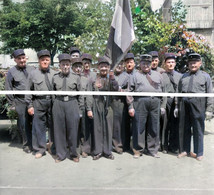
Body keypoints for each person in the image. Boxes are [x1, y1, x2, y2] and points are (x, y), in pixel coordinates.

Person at [128, 54, 166, 159]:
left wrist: (162, 105)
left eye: (148, 63)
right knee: (139, 127)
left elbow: (164, 91)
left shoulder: (158, 75)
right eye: (143, 63)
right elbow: (129, 92)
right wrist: (130, 106)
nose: (146, 65)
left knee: (154, 126)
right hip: (140, 102)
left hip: (155, 102)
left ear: (151, 64)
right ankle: (138, 149)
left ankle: (153, 150)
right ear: (140, 64)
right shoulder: (134, 76)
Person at [177, 53, 213, 161]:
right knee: (184, 128)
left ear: (200, 63)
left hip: (198, 103)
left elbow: (210, 94)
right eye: (191, 63)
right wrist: (176, 107)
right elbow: (178, 92)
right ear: (188, 64)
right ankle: (185, 150)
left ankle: (199, 152)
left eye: (195, 63)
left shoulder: (205, 77)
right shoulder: (183, 76)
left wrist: (209, 110)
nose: (193, 65)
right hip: (184, 103)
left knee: (198, 129)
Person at [86, 56, 119, 160]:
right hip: (96, 105)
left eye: (106, 66)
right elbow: (89, 94)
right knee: (97, 128)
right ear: (98, 67)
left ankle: (107, 151)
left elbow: (116, 89)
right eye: (102, 66)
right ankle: (98, 151)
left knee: (108, 129)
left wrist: (112, 78)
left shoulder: (112, 78)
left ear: (109, 67)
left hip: (108, 106)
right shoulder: (93, 79)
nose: (104, 68)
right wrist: (89, 109)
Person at [25, 50, 56, 159]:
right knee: (38, 127)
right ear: (39, 61)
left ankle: (53, 148)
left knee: (53, 126)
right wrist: (29, 105)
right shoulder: (33, 74)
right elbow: (28, 90)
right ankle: (40, 149)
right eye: (42, 60)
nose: (45, 62)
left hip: (52, 103)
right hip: (38, 102)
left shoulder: (54, 73)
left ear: (50, 61)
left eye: (47, 60)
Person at [52, 54, 82, 163]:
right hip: (58, 103)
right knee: (59, 130)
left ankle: (74, 153)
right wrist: (54, 106)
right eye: (63, 64)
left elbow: (81, 94)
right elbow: (52, 93)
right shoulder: (55, 77)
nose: (65, 67)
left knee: (73, 130)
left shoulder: (76, 77)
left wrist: (80, 109)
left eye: (67, 64)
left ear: (70, 65)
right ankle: (61, 155)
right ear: (59, 65)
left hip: (72, 103)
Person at [5, 49, 34, 153]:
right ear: (15, 60)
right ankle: (26, 145)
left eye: (23, 58)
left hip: (32, 100)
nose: (22, 60)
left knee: (35, 122)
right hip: (20, 101)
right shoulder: (11, 72)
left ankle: (35, 143)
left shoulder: (32, 69)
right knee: (23, 123)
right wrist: (12, 104)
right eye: (19, 59)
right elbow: (8, 88)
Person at [161, 53, 182, 154]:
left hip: (176, 102)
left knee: (175, 124)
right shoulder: (161, 76)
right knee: (164, 125)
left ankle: (174, 146)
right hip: (165, 101)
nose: (170, 64)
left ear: (175, 63)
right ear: (165, 64)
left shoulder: (180, 76)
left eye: (172, 62)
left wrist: (178, 105)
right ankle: (164, 146)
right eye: (168, 62)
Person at [117, 53, 137, 152]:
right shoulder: (123, 75)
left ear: (134, 63)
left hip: (136, 102)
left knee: (136, 125)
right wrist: (124, 91)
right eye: (127, 62)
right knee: (125, 125)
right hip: (124, 103)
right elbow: (118, 88)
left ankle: (135, 146)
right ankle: (125, 146)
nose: (129, 64)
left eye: (131, 62)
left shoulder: (138, 74)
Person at [80, 53, 96, 158]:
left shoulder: (94, 75)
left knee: (93, 127)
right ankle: (84, 149)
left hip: (93, 103)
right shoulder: (79, 75)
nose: (86, 65)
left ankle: (94, 148)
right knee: (83, 127)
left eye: (88, 63)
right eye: (84, 63)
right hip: (82, 103)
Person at [111, 62, 125, 154]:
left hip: (122, 102)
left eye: (121, 64)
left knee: (121, 125)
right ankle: (114, 145)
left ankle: (122, 145)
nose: (119, 66)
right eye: (117, 64)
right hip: (112, 101)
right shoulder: (110, 75)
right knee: (113, 125)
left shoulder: (127, 76)